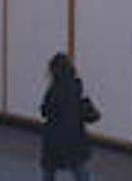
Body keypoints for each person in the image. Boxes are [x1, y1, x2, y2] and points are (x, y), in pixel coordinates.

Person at [38, 53, 99, 181]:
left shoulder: (53, 90)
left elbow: (44, 111)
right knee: (81, 171)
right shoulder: (78, 89)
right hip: (75, 139)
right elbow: (93, 116)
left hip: (53, 140)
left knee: (48, 171)